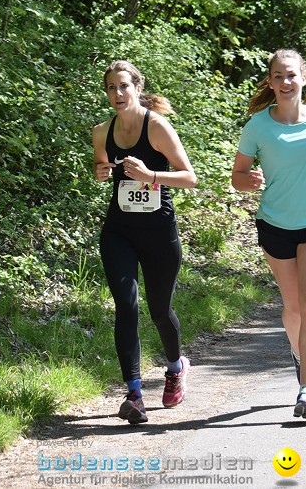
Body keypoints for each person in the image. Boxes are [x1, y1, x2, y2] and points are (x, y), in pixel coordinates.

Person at [230, 49, 306, 420]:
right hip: (275, 223)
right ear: (270, 81)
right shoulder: (258, 126)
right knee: (293, 306)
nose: (285, 82)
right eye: (278, 76)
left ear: (303, 79)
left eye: (291, 75)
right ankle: (300, 355)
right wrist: (249, 181)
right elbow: (237, 177)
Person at [92, 60, 198, 425]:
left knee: (159, 310)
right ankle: (134, 394)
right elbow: (102, 169)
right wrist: (100, 171)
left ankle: (175, 367)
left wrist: (151, 174)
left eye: (124, 86)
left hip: (158, 231)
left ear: (137, 87)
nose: (118, 94)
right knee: (126, 306)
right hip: (119, 231)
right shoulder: (101, 131)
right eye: (111, 88)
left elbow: (190, 177)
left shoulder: (157, 127)